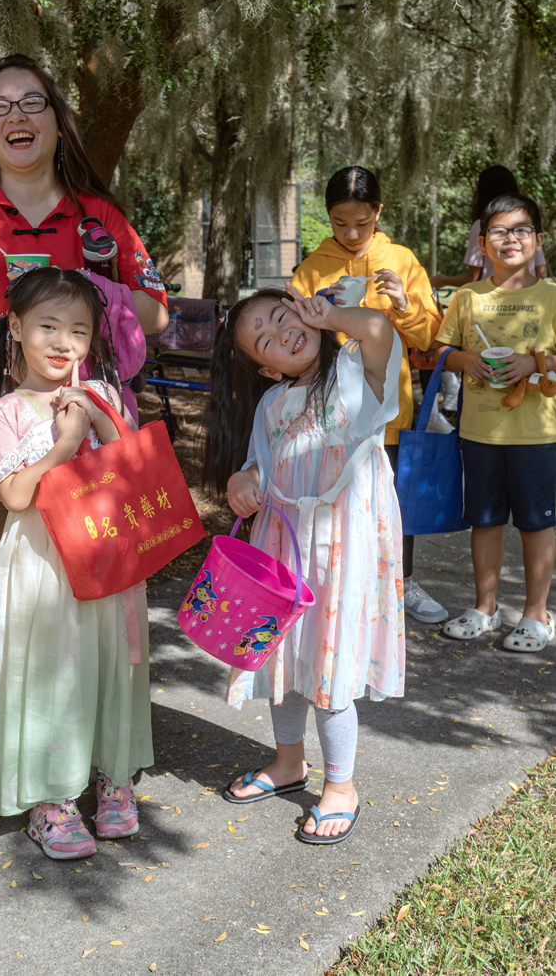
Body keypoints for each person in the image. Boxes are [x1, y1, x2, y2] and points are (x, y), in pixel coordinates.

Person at [0, 54, 167, 850]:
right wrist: (14, 358)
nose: (16, 117)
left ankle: (90, 760)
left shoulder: (98, 217)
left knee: (97, 589)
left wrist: (93, 323)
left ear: (57, 119)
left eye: (32, 103)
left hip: (94, 418)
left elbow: (154, 311)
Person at [202, 283, 404, 843]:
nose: (281, 334)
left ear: (299, 305)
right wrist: (241, 481)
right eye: (264, 341)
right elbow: (259, 468)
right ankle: (289, 762)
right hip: (286, 547)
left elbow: (379, 329)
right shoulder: (273, 405)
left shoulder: (357, 372)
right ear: (265, 371)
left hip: (345, 546)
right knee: (284, 656)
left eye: (278, 316)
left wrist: (333, 314)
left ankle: (341, 786)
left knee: (330, 656)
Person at [291, 166, 445, 624]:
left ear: (379, 211)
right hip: (327, 411)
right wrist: (320, 307)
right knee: (334, 497)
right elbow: (293, 330)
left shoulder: (400, 259)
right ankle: (342, 585)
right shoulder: (313, 266)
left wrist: (403, 302)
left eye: (363, 221)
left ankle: (404, 582)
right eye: (340, 223)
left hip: (387, 408)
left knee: (393, 497)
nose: (353, 232)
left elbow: (427, 336)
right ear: (328, 216)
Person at [434, 193, 556, 652]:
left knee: (535, 524)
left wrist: (533, 366)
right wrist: (464, 358)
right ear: (482, 244)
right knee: (484, 522)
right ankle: (484, 608)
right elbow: (439, 353)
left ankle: (536, 614)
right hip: (478, 432)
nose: (510, 239)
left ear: (539, 240)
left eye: (521, 229)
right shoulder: (467, 297)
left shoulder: (551, 296)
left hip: (538, 435)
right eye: (499, 231)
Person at [431, 166, 547, 290]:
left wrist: (442, 280)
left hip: (491, 298)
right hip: (528, 297)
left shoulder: (481, 225)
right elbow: (541, 272)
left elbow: (472, 278)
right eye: (499, 231)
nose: (510, 239)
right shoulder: (527, 227)